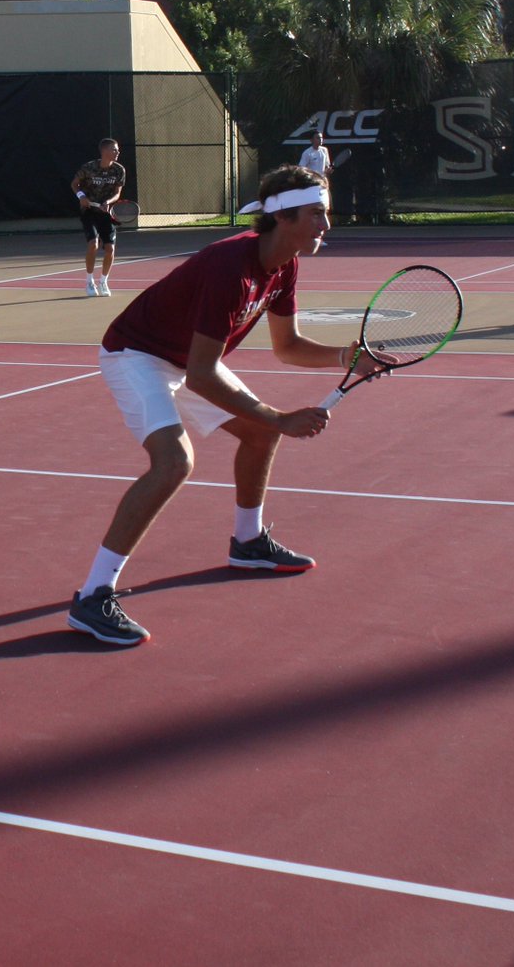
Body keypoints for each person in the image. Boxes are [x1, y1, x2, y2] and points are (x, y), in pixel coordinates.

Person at [65, 165, 386, 647]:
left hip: (186, 359)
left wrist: (346, 357)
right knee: (175, 462)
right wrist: (280, 417)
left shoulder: (285, 263)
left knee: (260, 432)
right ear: (283, 217)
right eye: (317, 213)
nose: (326, 225)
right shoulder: (228, 268)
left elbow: (288, 346)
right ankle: (93, 596)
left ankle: (248, 542)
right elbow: (202, 375)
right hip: (136, 355)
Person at [70, 138, 128, 297]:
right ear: (104, 151)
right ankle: (89, 281)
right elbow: (75, 184)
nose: (117, 152)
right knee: (93, 244)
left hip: (105, 212)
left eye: (117, 150)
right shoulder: (88, 168)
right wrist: (81, 196)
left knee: (110, 248)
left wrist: (107, 203)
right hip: (88, 211)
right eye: (114, 150)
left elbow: (117, 193)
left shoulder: (119, 170)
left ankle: (103, 282)